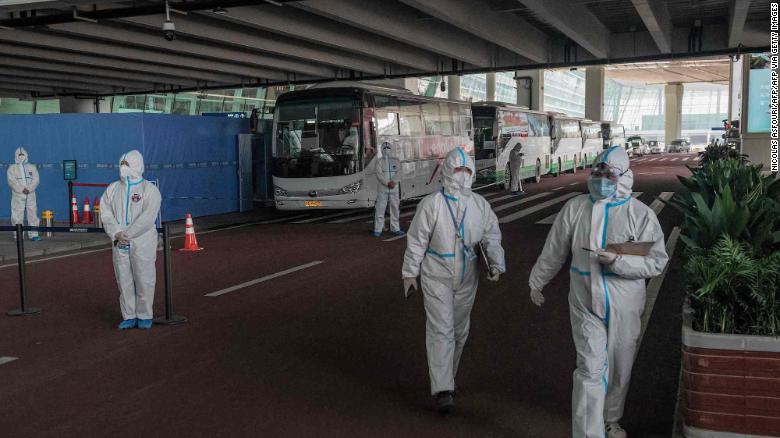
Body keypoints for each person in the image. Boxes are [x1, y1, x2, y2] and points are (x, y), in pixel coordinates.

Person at [527, 146, 668, 438]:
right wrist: (537, 280)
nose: (602, 178)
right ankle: (588, 433)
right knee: (590, 368)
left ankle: (610, 419)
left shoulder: (638, 214)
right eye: (597, 171)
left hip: (624, 302)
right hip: (583, 299)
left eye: (609, 173)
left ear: (624, 176)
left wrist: (619, 262)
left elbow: (656, 261)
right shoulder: (575, 208)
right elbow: (554, 250)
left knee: (619, 366)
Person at [402, 147, 505, 413]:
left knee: (459, 331)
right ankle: (443, 389)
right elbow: (417, 239)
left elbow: (491, 235)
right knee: (441, 329)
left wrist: (496, 262)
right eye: (457, 170)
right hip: (436, 273)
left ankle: (448, 377)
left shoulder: (479, 205)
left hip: (468, 275)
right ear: (447, 171)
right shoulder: (432, 204)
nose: (462, 176)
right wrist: (410, 272)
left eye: (466, 170)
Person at [100, 150, 162, 330]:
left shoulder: (150, 190)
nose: (123, 168)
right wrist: (116, 233)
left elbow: (148, 217)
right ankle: (129, 315)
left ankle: (144, 314)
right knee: (123, 279)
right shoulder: (113, 189)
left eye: (127, 164)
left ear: (137, 165)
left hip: (142, 241)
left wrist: (128, 234)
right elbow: (106, 213)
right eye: (121, 164)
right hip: (119, 241)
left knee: (144, 278)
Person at [7, 147, 41, 241]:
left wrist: (29, 189)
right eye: (19, 155)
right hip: (18, 195)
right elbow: (11, 181)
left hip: (31, 194)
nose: (21, 156)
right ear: (16, 156)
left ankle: (34, 234)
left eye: (23, 154)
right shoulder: (12, 168)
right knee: (17, 214)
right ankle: (18, 234)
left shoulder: (32, 167)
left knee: (32, 213)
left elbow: (36, 180)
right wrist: (21, 189)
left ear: (26, 155)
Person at [373, 142, 403, 237]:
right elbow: (379, 174)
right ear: (381, 149)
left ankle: (396, 228)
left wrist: (394, 181)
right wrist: (387, 183)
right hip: (383, 189)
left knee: (395, 209)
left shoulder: (396, 161)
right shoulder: (379, 161)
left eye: (388, 147)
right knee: (380, 209)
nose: (386, 149)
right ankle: (378, 229)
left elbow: (400, 172)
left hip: (394, 189)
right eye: (384, 147)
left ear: (391, 148)